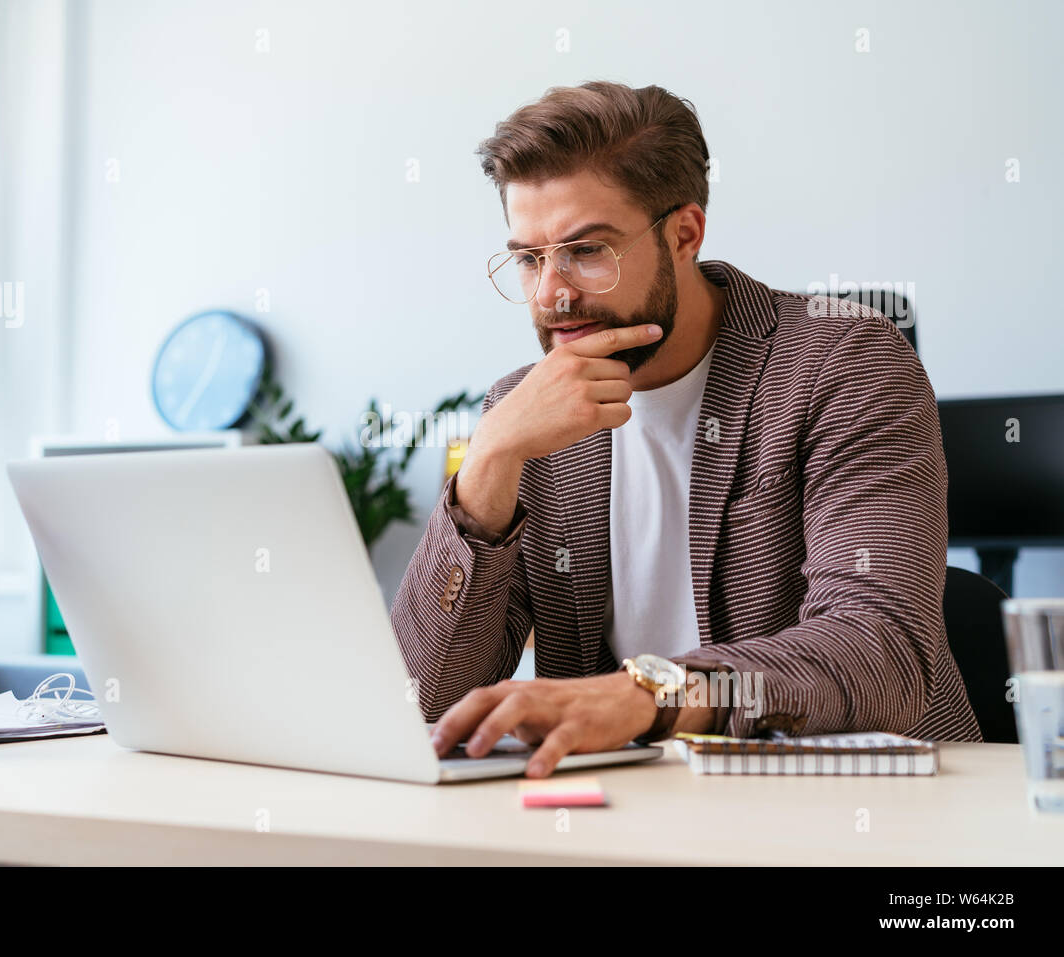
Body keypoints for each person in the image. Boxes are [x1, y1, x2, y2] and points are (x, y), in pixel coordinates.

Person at [390, 81, 980, 778]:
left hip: (863, 804)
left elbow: (877, 653)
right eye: (529, 258)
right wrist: (486, 464)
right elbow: (420, 704)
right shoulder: (522, 414)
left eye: (586, 250)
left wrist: (648, 693)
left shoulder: (844, 362)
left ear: (685, 233)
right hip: (628, 811)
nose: (552, 292)